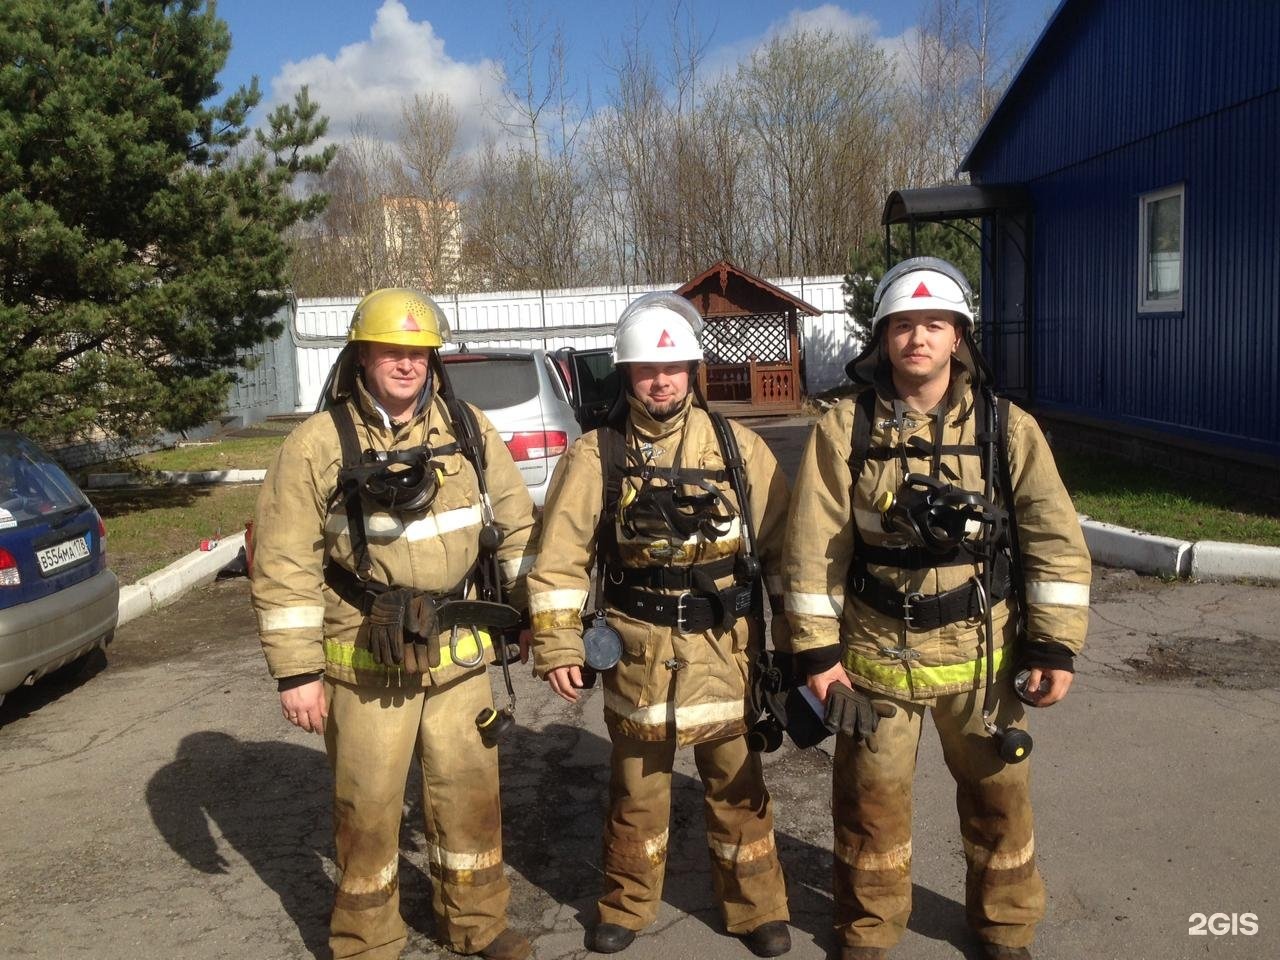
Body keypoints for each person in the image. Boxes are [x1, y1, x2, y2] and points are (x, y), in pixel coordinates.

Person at [781, 258, 1091, 960]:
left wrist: (1053, 646)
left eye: (933, 324)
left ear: (958, 337)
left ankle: (1006, 929)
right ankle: (867, 931)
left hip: (986, 660)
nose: (917, 338)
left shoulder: (1008, 430)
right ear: (883, 337)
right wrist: (818, 657)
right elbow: (813, 550)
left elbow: (1055, 542)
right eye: (902, 325)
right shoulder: (843, 429)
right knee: (870, 806)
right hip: (874, 660)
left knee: (1000, 805)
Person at [250, 288, 539, 960]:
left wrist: (527, 616)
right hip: (364, 661)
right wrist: (296, 672)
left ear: (433, 360)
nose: (406, 365)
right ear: (362, 356)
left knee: (469, 798)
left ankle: (477, 926)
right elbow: (284, 559)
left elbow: (519, 526)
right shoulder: (318, 444)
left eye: (418, 352)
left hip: (459, 656)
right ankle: (366, 944)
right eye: (391, 351)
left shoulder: (468, 430)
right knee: (369, 811)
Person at [528, 292, 793, 957]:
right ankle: (626, 905)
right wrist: (559, 640)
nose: (661, 379)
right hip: (639, 654)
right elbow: (559, 557)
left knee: (739, 790)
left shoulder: (739, 449)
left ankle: (758, 909)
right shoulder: (598, 455)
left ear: (693, 370)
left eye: (672, 367)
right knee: (637, 794)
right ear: (627, 373)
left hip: (726, 649)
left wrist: (796, 647)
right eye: (646, 368)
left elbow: (787, 551)